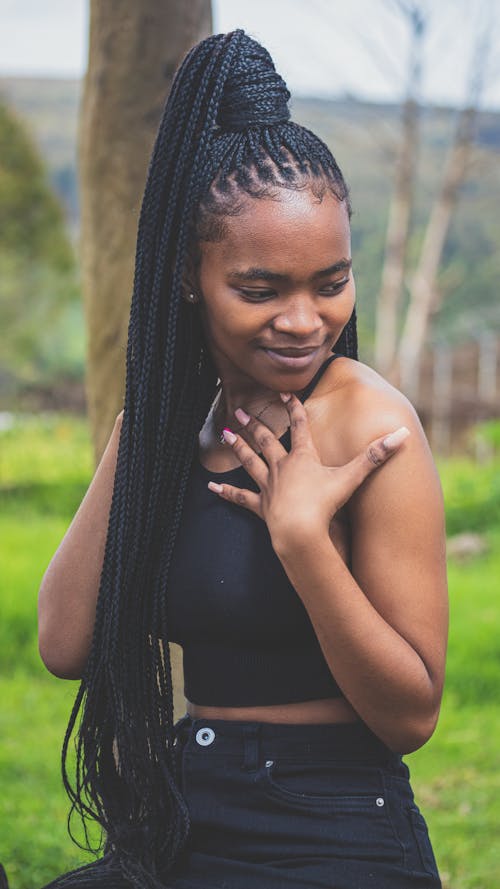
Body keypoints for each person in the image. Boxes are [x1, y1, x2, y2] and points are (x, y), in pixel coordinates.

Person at [37, 29, 448, 889]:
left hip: (333, 827)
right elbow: (67, 641)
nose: (305, 320)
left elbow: (412, 712)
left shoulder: (372, 424)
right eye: (261, 289)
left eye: (330, 282)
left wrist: (303, 541)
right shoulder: (172, 424)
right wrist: (143, 423)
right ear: (190, 277)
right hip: (188, 807)